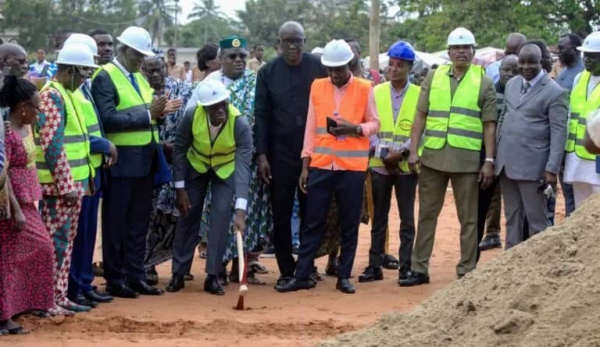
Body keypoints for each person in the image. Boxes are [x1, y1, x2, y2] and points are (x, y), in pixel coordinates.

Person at [276, 39, 379, 295]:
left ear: (350, 65)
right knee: (312, 223)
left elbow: (375, 123)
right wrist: (305, 165)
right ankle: (301, 275)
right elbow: (311, 127)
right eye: (330, 70)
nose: (334, 75)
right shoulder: (318, 87)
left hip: (352, 168)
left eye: (340, 70)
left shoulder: (365, 88)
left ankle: (344, 276)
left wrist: (355, 129)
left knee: (349, 223)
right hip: (321, 166)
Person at [400, 28, 497, 287]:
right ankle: (419, 268)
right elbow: (420, 115)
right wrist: (413, 150)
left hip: (466, 161)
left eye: (466, 48)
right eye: (456, 47)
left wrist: (488, 161)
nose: (461, 52)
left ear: (473, 52)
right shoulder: (433, 77)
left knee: (469, 218)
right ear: (449, 52)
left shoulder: (484, 81)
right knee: (427, 215)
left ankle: (467, 269)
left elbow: (489, 125)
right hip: (432, 158)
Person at [184, 35, 270, 286]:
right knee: (218, 214)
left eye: (242, 56)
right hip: (216, 164)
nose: (238, 61)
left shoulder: (256, 82)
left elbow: (263, 119)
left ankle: (240, 269)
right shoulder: (210, 84)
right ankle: (217, 267)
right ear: (221, 59)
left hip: (247, 162)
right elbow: (191, 119)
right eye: (232, 57)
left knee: (247, 213)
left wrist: (262, 154)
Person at [91, 26, 166, 298]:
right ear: (123, 50)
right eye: (137, 54)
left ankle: (136, 275)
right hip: (121, 163)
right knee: (116, 223)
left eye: (143, 55)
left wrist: (160, 112)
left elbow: (148, 111)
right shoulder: (105, 77)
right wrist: (148, 115)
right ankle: (115, 278)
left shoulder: (139, 77)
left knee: (138, 223)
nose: (141, 60)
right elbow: (107, 118)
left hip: (145, 161)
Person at [254, 21, 327, 287]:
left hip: (314, 154)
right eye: (288, 42)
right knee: (281, 212)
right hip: (279, 155)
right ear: (279, 45)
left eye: (298, 41)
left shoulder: (319, 68)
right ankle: (287, 268)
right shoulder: (268, 73)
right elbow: (260, 115)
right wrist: (261, 155)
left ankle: (307, 265)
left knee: (311, 213)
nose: (293, 46)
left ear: (305, 42)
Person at [169, 80, 252, 295]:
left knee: (221, 215)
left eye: (223, 104)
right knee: (188, 214)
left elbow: (243, 168)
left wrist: (241, 211)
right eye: (214, 106)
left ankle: (213, 275)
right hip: (197, 166)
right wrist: (180, 189)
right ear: (204, 108)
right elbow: (179, 150)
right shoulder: (191, 116)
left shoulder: (239, 123)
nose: (220, 110)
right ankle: (178, 273)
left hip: (225, 169)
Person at [36, 43, 97, 313]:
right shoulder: (52, 96)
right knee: (55, 244)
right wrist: (66, 186)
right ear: (71, 70)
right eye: (83, 73)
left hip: (72, 186)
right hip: (57, 189)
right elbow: (52, 145)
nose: (85, 79)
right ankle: (47, 299)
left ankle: (59, 296)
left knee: (65, 242)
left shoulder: (68, 93)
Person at [62, 34, 117, 309]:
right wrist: (103, 144)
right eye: (88, 65)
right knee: (77, 234)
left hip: (91, 167)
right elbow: (76, 132)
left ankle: (83, 282)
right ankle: (74, 287)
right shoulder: (66, 91)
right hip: (75, 172)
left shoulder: (82, 88)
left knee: (87, 233)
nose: (90, 70)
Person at [495, 44, 568, 249]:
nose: (526, 66)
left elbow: (558, 133)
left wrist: (552, 169)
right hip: (506, 165)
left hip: (534, 168)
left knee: (537, 222)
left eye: (531, 62)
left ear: (542, 63)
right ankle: (510, 267)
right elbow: (503, 118)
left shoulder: (555, 92)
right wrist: (496, 155)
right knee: (512, 219)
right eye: (522, 62)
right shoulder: (512, 84)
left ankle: (539, 271)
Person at [359, 41, 419, 284]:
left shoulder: (418, 94)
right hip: (380, 164)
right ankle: (375, 265)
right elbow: (370, 124)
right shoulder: (376, 91)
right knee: (379, 218)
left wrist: (402, 153)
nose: (394, 69)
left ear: (409, 68)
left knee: (407, 219)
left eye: (400, 65)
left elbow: (420, 129)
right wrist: (384, 153)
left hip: (405, 167)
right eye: (391, 64)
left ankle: (406, 267)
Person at [0, 76, 54, 333]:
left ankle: (17, 305)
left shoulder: (24, 127)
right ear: (22, 106)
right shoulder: (6, 133)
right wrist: (16, 209)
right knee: (9, 258)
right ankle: (3, 316)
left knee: (29, 253)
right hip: (11, 203)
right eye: (36, 107)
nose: (39, 112)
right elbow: (2, 173)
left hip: (28, 198)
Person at [141, 54, 189, 284]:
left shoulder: (181, 90)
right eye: (149, 71)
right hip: (151, 162)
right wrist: (161, 146)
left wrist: (178, 147)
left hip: (178, 161)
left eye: (159, 69)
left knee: (177, 214)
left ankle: (181, 264)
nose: (155, 75)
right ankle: (147, 264)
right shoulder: (140, 93)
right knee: (152, 215)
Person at [478, 54, 519, 252]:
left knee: (513, 196)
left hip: (514, 153)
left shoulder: (521, 93)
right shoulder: (491, 92)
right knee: (491, 193)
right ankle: (492, 232)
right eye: (506, 70)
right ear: (499, 70)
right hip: (491, 151)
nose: (509, 74)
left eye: (514, 70)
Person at [564, 32, 600, 208]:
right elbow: (571, 115)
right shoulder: (579, 78)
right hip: (577, 158)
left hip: (597, 158)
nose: (586, 60)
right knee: (581, 212)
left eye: (592, 56)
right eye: (585, 55)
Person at [556, 33, 584, 217]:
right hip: (564, 141)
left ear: (574, 49)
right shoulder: (563, 74)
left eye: (561, 48)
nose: (558, 52)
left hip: (583, 146)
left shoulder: (583, 74)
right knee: (567, 190)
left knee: (580, 192)